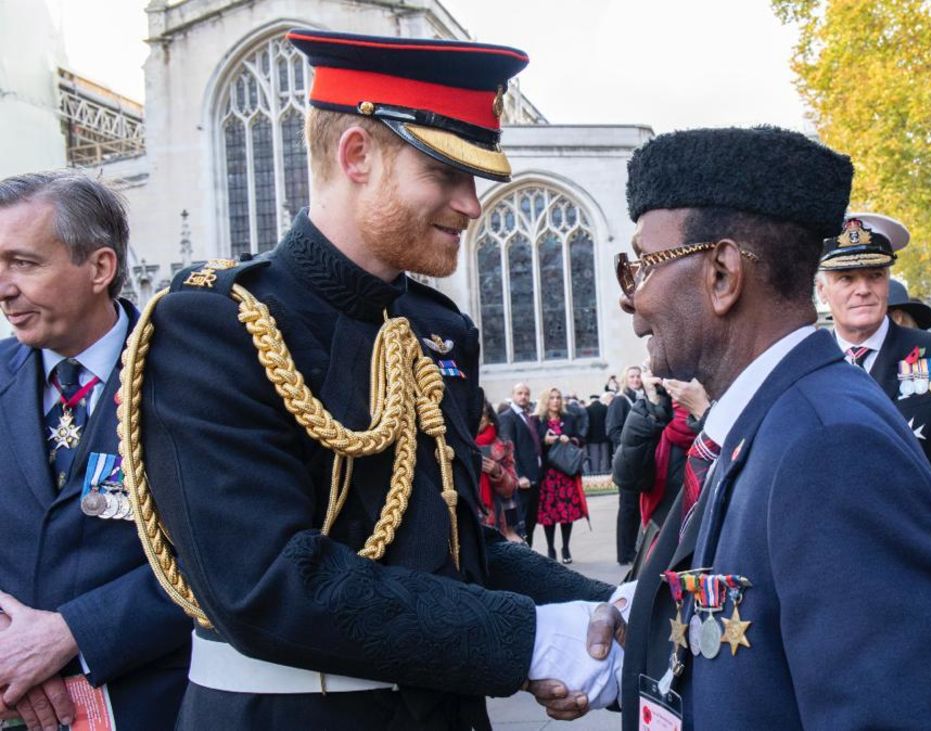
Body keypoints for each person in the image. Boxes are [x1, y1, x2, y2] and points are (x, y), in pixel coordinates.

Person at [126, 30, 622, 729]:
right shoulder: (215, 326)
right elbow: (269, 585)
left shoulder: (436, 327)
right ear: (356, 155)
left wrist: (604, 609)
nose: (471, 205)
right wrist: (529, 639)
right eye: (445, 175)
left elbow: (455, 551)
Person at [537, 126, 931, 727]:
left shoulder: (829, 448)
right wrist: (640, 620)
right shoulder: (771, 420)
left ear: (723, 275)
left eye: (643, 265)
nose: (632, 299)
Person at [0, 170, 191, 730]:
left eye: (24, 263)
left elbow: (223, 555)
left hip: (149, 707)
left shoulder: (184, 383)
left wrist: (74, 634)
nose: (4, 287)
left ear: (100, 268)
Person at [815, 213, 931, 534]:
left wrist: (914, 544)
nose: (863, 289)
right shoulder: (806, 368)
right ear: (822, 291)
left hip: (927, 554)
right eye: (846, 278)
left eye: (875, 275)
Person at [611, 374, 710, 577]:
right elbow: (628, 477)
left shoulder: (714, 416)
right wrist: (650, 413)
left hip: (703, 535)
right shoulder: (657, 416)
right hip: (658, 531)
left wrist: (703, 414)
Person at [534, 387, 590, 564]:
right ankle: (551, 548)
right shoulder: (538, 420)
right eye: (552, 398)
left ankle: (566, 547)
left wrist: (571, 439)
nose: (556, 401)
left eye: (558, 397)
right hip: (548, 473)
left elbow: (580, 438)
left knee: (567, 513)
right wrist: (545, 440)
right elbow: (532, 444)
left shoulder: (569, 418)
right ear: (546, 400)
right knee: (549, 515)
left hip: (566, 473)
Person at [606, 365, 643, 565]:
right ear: (625, 379)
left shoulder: (639, 397)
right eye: (632, 376)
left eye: (638, 376)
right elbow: (613, 431)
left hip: (638, 461)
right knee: (627, 507)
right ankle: (624, 553)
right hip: (627, 460)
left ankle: (632, 549)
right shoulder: (620, 400)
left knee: (636, 508)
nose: (636, 379)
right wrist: (632, 445)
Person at [498, 382, 543, 546]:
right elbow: (508, 450)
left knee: (530, 523)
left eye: (526, 394)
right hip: (521, 481)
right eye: (520, 393)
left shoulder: (527, 416)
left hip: (533, 478)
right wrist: (519, 475)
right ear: (513, 395)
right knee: (519, 525)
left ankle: (528, 554)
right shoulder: (507, 417)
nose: (523, 396)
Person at [476, 398, 524, 542]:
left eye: (483, 414)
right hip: (465, 516)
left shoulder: (502, 444)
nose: (479, 418)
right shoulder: (457, 444)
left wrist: (498, 472)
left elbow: (512, 487)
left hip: (495, 518)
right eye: (474, 414)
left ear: (489, 417)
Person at [584, 394, 610, 475]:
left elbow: (586, 424)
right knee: (605, 458)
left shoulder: (587, 409)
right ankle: (605, 474)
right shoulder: (605, 408)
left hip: (592, 437)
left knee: (594, 458)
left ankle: (595, 474)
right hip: (604, 436)